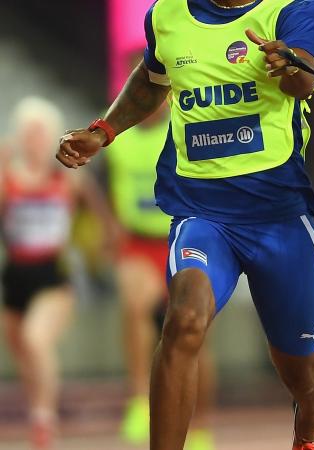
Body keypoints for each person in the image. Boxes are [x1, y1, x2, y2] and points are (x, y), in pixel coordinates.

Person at [57, 1, 314, 449]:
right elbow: (151, 78)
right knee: (182, 319)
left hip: (278, 216)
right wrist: (103, 130)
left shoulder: (293, 7)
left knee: (303, 371)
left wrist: (290, 63)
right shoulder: (167, 14)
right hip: (202, 213)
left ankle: (310, 427)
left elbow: (305, 81)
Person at [104, 69, 216, 449]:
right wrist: (109, 224)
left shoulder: (186, 128)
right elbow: (98, 186)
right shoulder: (114, 137)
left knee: (194, 334)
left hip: (183, 237)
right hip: (138, 242)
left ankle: (198, 427)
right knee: (135, 306)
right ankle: (138, 400)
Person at [1, 97, 113, 449]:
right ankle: (39, 410)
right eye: (29, 132)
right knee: (24, 353)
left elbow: (103, 218)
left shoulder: (69, 177)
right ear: (19, 136)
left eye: (41, 133)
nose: (34, 140)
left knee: (36, 339)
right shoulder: (7, 177)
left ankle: (44, 422)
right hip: (15, 274)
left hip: (55, 275)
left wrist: (102, 248)